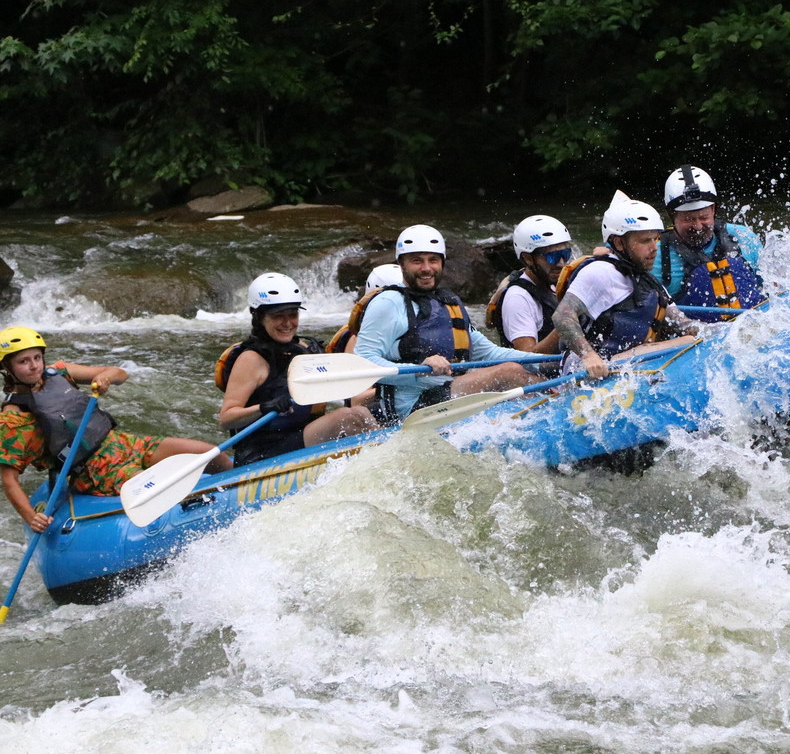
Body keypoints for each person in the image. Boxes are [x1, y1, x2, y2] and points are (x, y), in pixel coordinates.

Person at [0, 326, 233, 532]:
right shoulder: (14, 418)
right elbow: (9, 478)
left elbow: (120, 373)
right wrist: (32, 518)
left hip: (122, 443)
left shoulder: (59, 372)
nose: (34, 366)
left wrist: (105, 378)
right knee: (159, 489)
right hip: (93, 471)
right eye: (23, 361)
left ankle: (245, 485)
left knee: (211, 452)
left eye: (37, 357)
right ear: (7, 368)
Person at [353, 224, 549, 423]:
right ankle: (554, 416)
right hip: (412, 410)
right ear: (402, 263)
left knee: (527, 372)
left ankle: (550, 414)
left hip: (448, 394)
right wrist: (419, 371)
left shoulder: (447, 303)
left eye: (433, 260)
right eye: (416, 261)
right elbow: (364, 362)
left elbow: (489, 353)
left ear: (442, 263)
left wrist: (545, 361)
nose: (427, 268)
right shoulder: (387, 303)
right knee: (509, 373)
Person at [218, 273, 377, 466]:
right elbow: (226, 418)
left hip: (300, 436)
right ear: (259, 317)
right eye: (278, 316)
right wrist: (263, 407)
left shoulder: (304, 349)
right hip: (261, 453)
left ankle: (383, 460)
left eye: (292, 314)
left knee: (360, 413)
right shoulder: (251, 359)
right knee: (348, 418)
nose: (287, 323)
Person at [553, 193, 698, 380]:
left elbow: (684, 324)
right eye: (645, 241)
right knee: (689, 342)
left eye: (656, 239)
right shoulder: (600, 272)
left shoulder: (646, 279)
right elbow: (562, 316)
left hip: (624, 365)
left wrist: (731, 329)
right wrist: (588, 355)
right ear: (619, 243)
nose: (654, 248)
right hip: (586, 370)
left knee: (690, 339)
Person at [653, 165, 768, 321]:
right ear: (672, 215)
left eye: (704, 217)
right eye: (688, 219)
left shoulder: (743, 238)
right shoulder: (654, 254)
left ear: (713, 209)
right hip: (699, 339)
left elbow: (773, 288)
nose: (698, 226)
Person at [486, 215, 572, 353]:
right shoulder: (518, 298)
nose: (561, 263)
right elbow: (528, 358)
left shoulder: (556, 283)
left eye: (565, 254)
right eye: (552, 257)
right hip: (536, 374)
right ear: (528, 259)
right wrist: (568, 324)